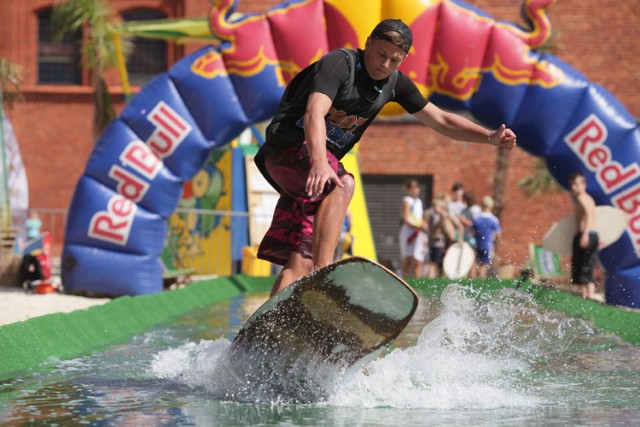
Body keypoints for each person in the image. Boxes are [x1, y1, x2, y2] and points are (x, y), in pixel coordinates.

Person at [254, 18, 517, 296]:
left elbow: (441, 120)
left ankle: (267, 331)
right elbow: (313, 113)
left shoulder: (394, 84)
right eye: (381, 54)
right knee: (343, 184)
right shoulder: (339, 64)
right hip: (288, 149)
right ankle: (324, 277)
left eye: (395, 60)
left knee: (301, 255)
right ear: (368, 43)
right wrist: (319, 161)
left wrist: (489, 137)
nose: (385, 65)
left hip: (313, 168)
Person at [569, 172, 599, 299]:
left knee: (579, 265)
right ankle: (590, 294)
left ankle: (585, 295)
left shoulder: (581, 198)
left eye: (576, 184)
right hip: (594, 235)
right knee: (589, 264)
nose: (573, 188)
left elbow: (587, 215)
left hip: (585, 234)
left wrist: (584, 234)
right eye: (572, 185)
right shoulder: (589, 198)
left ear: (583, 184)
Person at [399, 179, 428, 277]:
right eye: (412, 188)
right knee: (407, 259)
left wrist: (424, 225)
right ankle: (405, 281)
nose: (414, 190)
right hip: (408, 233)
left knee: (418, 259)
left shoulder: (419, 202)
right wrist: (417, 226)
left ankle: (417, 283)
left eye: (416, 187)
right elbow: (406, 218)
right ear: (407, 189)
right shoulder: (407, 200)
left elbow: (419, 218)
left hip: (418, 232)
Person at [424, 194, 456, 278]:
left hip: (440, 242)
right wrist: (442, 218)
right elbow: (436, 229)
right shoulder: (434, 214)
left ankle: (438, 278)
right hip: (436, 242)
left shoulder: (438, 214)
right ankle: (431, 279)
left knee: (441, 263)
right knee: (434, 263)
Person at [473, 196, 501, 278]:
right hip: (488, 245)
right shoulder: (493, 219)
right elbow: (498, 234)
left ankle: (476, 279)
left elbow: (473, 232)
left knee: (477, 263)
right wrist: (496, 245)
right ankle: (481, 280)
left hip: (478, 244)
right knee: (484, 265)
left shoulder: (477, 219)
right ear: (491, 206)